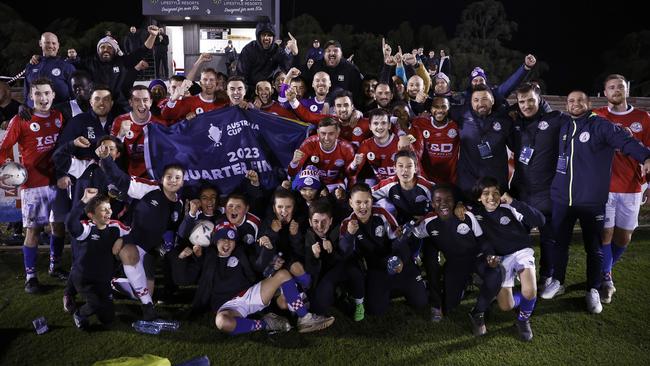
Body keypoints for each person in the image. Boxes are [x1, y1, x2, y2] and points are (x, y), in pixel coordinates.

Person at [540, 90, 650, 315]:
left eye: (580, 100)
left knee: (594, 248)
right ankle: (558, 282)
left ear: (589, 103)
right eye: (571, 101)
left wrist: (646, 157)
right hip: (562, 198)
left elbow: (626, 141)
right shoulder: (563, 125)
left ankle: (593, 289)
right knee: (560, 243)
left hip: (591, 201)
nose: (575, 104)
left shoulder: (601, 125)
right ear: (567, 105)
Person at [99, 148, 185, 320]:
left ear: (183, 182)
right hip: (130, 239)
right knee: (129, 255)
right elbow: (121, 180)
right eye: (169, 177)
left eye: (178, 178)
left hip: (150, 248)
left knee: (144, 291)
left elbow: (171, 228)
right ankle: (147, 307)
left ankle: (117, 283)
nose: (173, 181)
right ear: (162, 179)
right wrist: (107, 160)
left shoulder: (180, 204)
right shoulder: (149, 188)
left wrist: (163, 245)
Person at [0, 78, 67, 293]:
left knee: (58, 227)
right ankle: (30, 277)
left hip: (57, 182)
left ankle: (54, 266)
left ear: (53, 95)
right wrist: (7, 167)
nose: (43, 98)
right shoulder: (21, 119)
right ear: (30, 96)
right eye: (38, 94)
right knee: (33, 230)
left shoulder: (59, 117)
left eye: (47, 93)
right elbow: (3, 148)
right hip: (33, 185)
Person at [593, 74, 650, 304]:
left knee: (623, 238)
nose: (616, 90)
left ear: (627, 90)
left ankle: (603, 268)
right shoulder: (598, 116)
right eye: (611, 87)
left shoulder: (643, 118)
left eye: (620, 87)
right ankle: (606, 278)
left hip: (632, 186)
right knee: (605, 234)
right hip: (604, 187)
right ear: (604, 93)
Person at [411, 185, 501, 326]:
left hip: (476, 258)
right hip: (455, 263)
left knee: (495, 274)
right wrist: (412, 254)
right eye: (438, 200)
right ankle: (466, 282)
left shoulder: (466, 215)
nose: (444, 203)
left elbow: (482, 240)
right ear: (433, 204)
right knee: (450, 306)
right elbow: (414, 236)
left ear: (455, 201)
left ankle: (481, 307)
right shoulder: (428, 222)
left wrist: (490, 255)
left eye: (448, 199)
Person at [470, 177, 545, 341]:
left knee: (529, 290)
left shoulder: (509, 207)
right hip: (501, 258)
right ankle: (525, 300)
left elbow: (540, 220)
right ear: (478, 197)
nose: (491, 197)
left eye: (496, 193)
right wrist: (459, 207)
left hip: (521, 252)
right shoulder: (475, 214)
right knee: (506, 306)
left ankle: (523, 320)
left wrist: (514, 202)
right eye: (486, 193)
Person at [339, 183, 427, 315]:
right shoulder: (347, 223)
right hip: (377, 268)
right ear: (351, 203)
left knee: (421, 302)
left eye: (366, 202)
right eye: (358, 202)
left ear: (371, 201)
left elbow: (399, 241)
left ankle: (418, 284)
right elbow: (345, 252)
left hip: (398, 262)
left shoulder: (382, 214)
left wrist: (401, 260)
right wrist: (350, 235)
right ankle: (386, 290)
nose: (363, 207)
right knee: (376, 310)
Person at [508, 82, 563, 292]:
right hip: (522, 190)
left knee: (548, 238)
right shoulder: (516, 122)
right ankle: (515, 272)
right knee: (517, 236)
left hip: (546, 191)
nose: (526, 105)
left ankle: (546, 275)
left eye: (531, 100)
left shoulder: (556, 119)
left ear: (539, 99)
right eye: (522, 101)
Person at [65, 188, 129, 329]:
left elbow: (135, 233)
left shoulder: (116, 226)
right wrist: (83, 201)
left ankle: (92, 306)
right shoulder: (86, 228)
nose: (108, 213)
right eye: (103, 210)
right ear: (91, 215)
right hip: (84, 278)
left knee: (108, 318)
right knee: (94, 303)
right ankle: (80, 313)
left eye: (109, 208)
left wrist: (123, 240)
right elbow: (70, 223)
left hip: (103, 279)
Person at [72, 25, 159, 112]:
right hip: (98, 105)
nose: (106, 49)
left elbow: (141, 52)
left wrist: (152, 36)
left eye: (109, 47)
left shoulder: (121, 61)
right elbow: (69, 67)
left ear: (114, 50)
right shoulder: (89, 63)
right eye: (102, 47)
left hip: (119, 105)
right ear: (98, 50)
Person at [305, 200, 366, 321]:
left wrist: (332, 251)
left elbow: (345, 256)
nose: (320, 226)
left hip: (343, 267)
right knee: (318, 308)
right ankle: (338, 295)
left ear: (331, 221)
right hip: (326, 275)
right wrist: (315, 256)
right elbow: (311, 270)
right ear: (310, 222)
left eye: (324, 221)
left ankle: (359, 302)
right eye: (316, 221)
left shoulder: (339, 230)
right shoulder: (307, 236)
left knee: (354, 272)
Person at [455, 84, 513, 199]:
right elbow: (438, 107)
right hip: (468, 187)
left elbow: (516, 146)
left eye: (484, 99)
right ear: (470, 103)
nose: (480, 103)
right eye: (476, 100)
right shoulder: (461, 115)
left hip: (496, 188)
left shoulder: (505, 120)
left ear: (492, 100)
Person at [111, 85, 167, 178]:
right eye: (137, 100)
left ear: (150, 102)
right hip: (129, 178)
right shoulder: (120, 121)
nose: (141, 104)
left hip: (155, 177)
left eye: (145, 100)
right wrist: (120, 135)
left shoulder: (160, 123)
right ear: (130, 102)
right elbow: (111, 154)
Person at [287, 117, 355, 192]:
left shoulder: (346, 148)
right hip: (310, 183)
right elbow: (292, 173)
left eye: (331, 134)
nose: (326, 138)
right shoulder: (309, 144)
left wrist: (350, 193)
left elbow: (351, 176)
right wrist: (294, 162)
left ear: (337, 133)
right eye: (323, 133)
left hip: (334, 184)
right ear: (318, 133)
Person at [236, 20, 296, 93]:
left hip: (268, 89)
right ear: (258, 36)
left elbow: (288, 69)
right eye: (263, 35)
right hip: (250, 89)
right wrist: (248, 94)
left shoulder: (277, 50)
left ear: (273, 37)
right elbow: (241, 75)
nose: (266, 38)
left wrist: (293, 53)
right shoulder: (249, 49)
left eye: (269, 35)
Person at [413, 96, 460, 184]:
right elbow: (409, 132)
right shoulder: (420, 123)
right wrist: (406, 139)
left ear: (449, 109)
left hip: (451, 179)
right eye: (436, 107)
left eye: (444, 107)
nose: (439, 110)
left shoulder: (456, 126)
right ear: (430, 109)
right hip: (428, 179)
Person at [24, 32, 76, 107]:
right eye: (47, 43)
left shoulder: (68, 67)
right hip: (33, 115)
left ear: (58, 45)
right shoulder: (31, 66)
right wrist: (24, 106)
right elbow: (26, 93)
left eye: (54, 43)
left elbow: (75, 96)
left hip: (59, 115)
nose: (51, 46)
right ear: (40, 43)